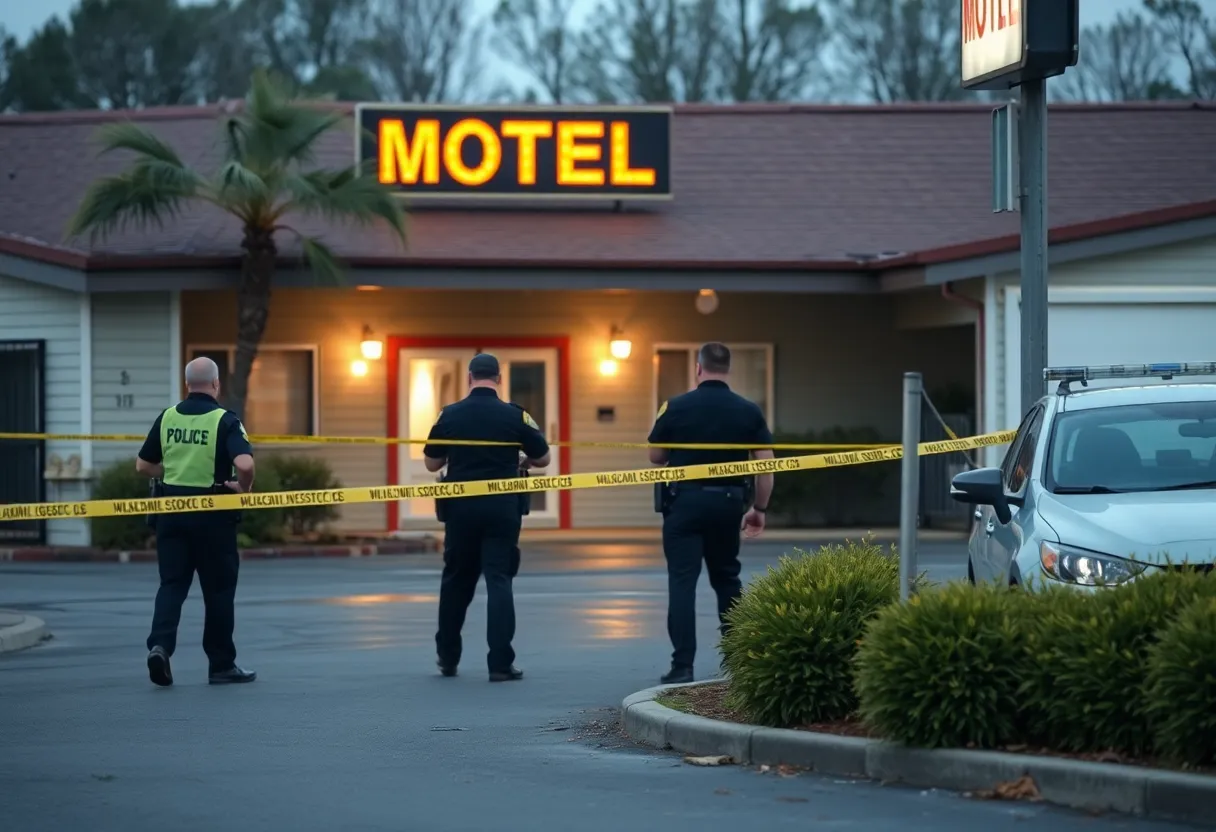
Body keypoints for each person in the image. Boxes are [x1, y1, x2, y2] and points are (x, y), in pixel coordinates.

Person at [647, 342, 775, 685]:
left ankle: (682, 666)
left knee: (682, 583)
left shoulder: (673, 406)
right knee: (727, 579)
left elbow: (656, 456)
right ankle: (739, 663)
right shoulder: (748, 410)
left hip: (684, 505)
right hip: (728, 504)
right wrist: (759, 509)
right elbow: (767, 465)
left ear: (698, 369)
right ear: (727, 370)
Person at [423, 353, 551, 682]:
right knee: (499, 580)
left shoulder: (449, 415)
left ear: (469, 378)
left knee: (456, 581)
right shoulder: (516, 415)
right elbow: (544, 457)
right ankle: (499, 663)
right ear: (498, 379)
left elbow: (431, 464)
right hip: (502, 509)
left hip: (461, 509)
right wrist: (522, 459)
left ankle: (447, 657)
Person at [135, 356, 257, 687]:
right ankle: (221, 665)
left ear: (187, 384)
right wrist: (243, 487)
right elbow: (244, 464)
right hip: (213, 518)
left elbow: (143, 465)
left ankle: (160, 647)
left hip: (171, 514)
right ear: (216, 384)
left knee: (172, 585)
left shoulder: (168, 417)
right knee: (218, 590)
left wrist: (171, 474)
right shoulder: (225, 420)